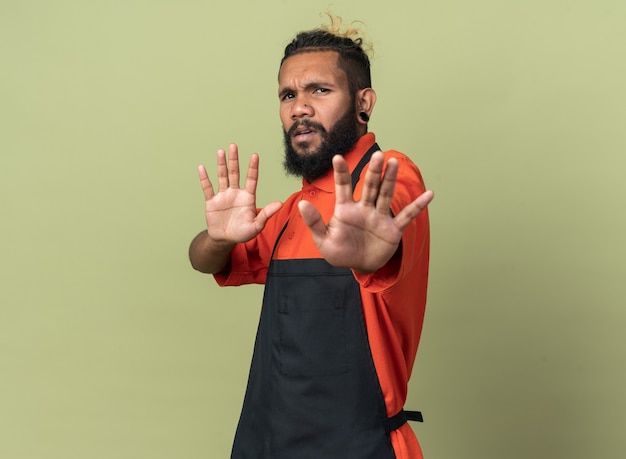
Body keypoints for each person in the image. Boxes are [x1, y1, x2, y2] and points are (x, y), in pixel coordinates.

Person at [189, 16, 434, 459]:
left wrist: (370, 254)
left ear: (364, 103)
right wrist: (218, 239)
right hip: (265, 444)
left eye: (319, 90)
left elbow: (390, 213)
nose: (299, 107)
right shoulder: (290, 212)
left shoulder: (388, 176)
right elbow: (204, 260)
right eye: (288, 95)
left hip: (358, 447)